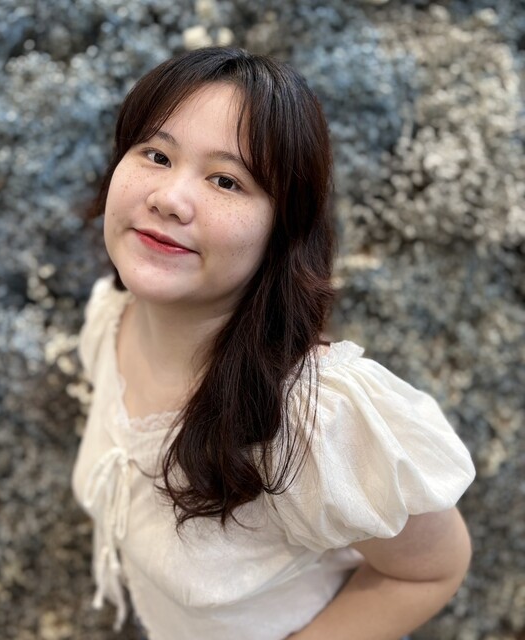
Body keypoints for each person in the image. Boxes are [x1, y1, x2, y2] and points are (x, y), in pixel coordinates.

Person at [71, 47, 475, 640]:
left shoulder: (313, 418)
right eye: (156, 155)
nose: (169, 198)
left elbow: (430, 570)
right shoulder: (110, 320)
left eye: (226, 180)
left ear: (281, 229)